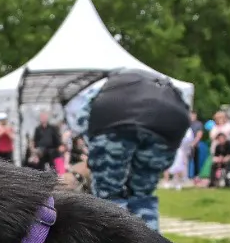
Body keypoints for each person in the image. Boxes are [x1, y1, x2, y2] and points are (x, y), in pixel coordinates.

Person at [67, 69, 192, 230]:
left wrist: (96, 155)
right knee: (142, 195)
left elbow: (81, 120)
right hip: (170, 121)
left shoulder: (102, 89)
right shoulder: (134, 82)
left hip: (116, 118)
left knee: (109, 194)